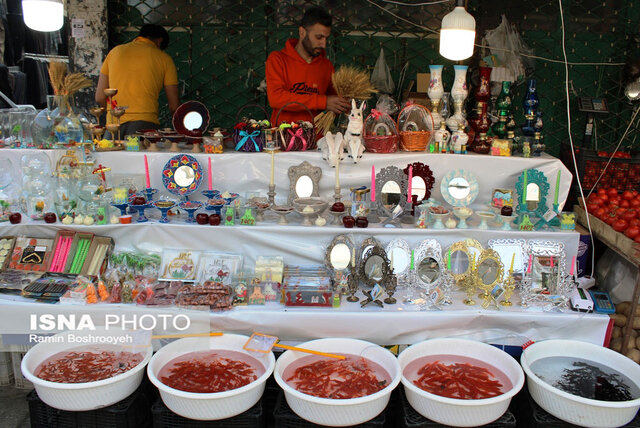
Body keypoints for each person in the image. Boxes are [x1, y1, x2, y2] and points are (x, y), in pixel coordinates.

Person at [265, 7, 350, 126]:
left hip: (317, 140)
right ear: (302, 32)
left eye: (326, 38)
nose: (323, 44)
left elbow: (336, 99)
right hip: (284, 138)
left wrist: (346, 103)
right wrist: (323, 102)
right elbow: (276, 98)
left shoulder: (326, 66)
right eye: (319, 37)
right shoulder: (278, 59)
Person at [95, 24, 180, 136]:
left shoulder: (114, 52)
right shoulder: (164, 59)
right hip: (145, 125)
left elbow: (100, 97)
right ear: (159, 41)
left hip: (113, 125)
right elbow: (174, 106)